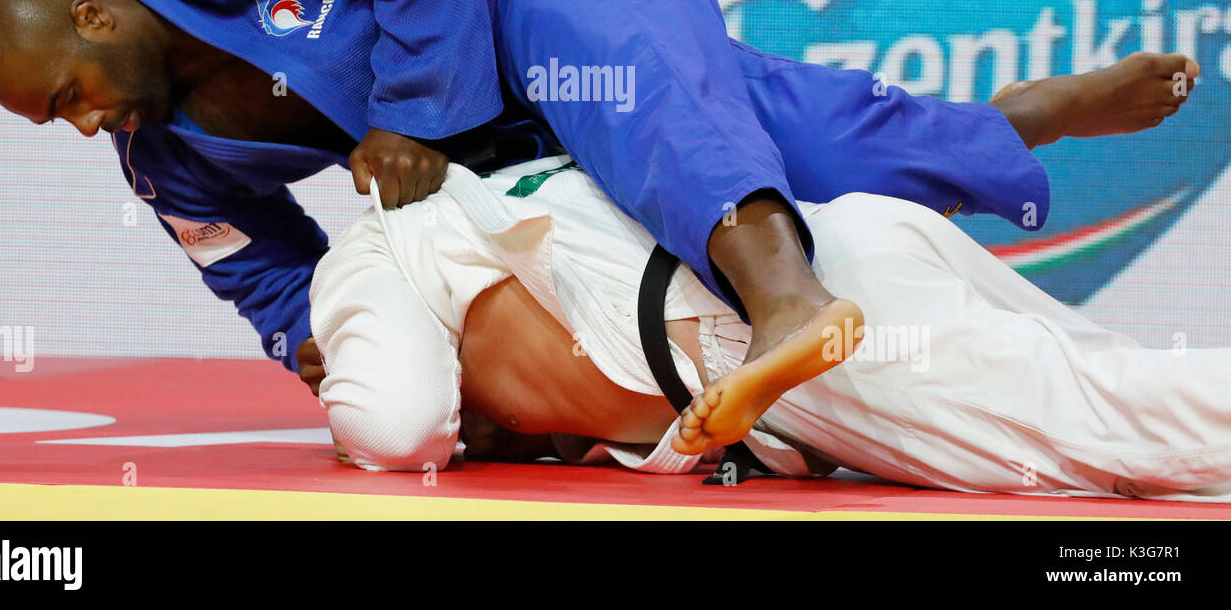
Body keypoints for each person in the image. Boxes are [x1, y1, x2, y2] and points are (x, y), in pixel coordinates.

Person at [0, 0, 1195, 447]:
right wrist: (339, 354)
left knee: (665, 103)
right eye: (58, 120)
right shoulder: (160, 153)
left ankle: (786, 301)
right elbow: (263, 272)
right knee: (792, 126)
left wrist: (403, 110)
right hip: (500, 141)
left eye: (72, 86)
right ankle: (1027, 111)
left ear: (91, 9)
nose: (87, 122)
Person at [310, 154, 1231, 502]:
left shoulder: (364, 264)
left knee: (1123, 432)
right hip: (833, 239)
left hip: (784, 347)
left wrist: (347, 418)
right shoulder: (482, 202)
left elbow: (400, 430)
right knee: (1116, 379)